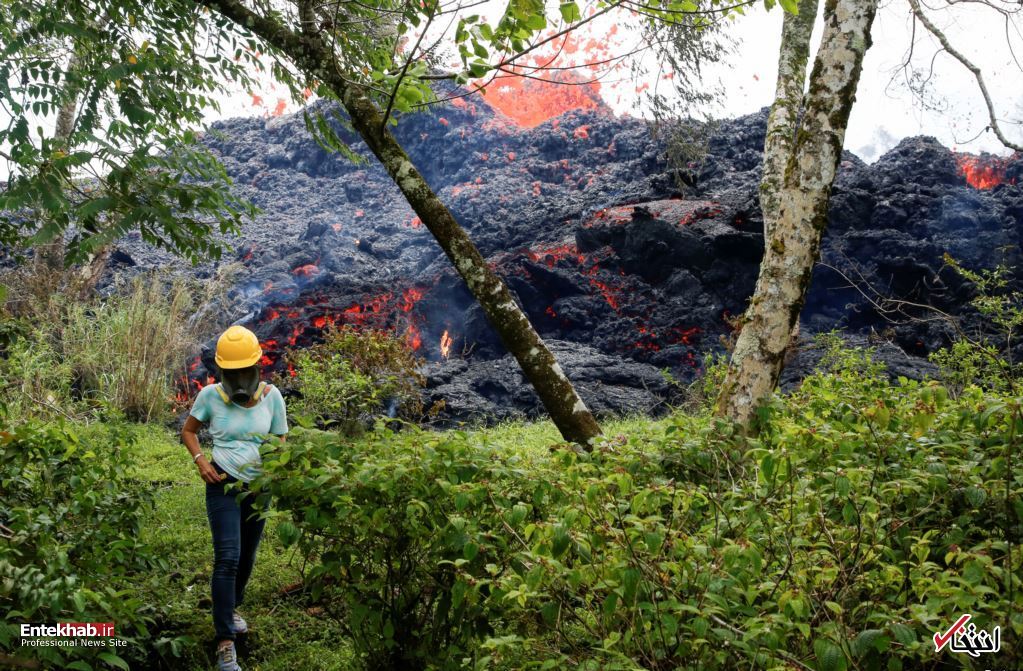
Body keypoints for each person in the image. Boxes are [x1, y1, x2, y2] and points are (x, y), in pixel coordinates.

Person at [181, 325, 288, 671]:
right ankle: (225, 640)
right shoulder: (210, 396)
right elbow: (189, 431)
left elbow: (279, 443)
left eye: (246, 372)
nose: (240, 380)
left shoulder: (273, 397)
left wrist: (269, 475)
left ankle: (230, 606)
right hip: (223, 483)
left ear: (258, 368)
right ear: (222, 372)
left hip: (260, 489)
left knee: (247, 557)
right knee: (227, 556)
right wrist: (200, 461)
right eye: (233, 373)